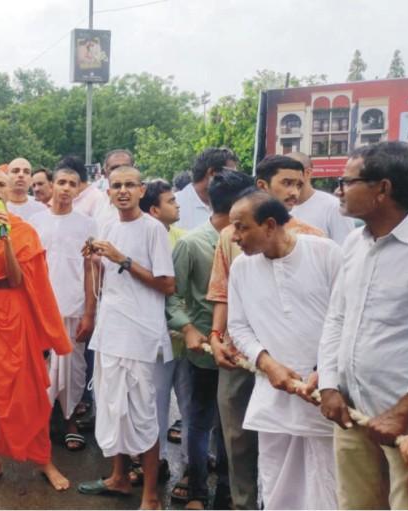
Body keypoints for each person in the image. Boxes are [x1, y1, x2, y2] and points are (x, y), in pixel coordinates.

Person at [205, 154, 323, 510]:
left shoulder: (316, 241)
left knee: (301, 442)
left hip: (299, 364)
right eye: (286, 183)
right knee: (238, 436)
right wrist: (216, 337)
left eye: (299, 183)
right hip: (241, 356)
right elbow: (222, 293)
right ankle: (244, 503)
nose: (294, 191)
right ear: (262, 186)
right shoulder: (232, 237)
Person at [315, 141, 408, 509]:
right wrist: (329, 384)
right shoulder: (353, 243)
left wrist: (403, 412)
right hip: (353, 414)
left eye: (347, 182)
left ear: (383, 189)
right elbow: (337, 317)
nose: (339, 191)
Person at [0, 169, 72, 493]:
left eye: (0, 185)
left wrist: (5, 238)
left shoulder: (24, 230)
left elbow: (17, 278)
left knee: (29, 388)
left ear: (9, 191)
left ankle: (44, 459)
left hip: (16, 310)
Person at [227, 191, 341, 509]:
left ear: (269, 225)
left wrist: (325, 371)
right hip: (273, 397)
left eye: (241, 227)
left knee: (328, 485)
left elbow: (345, 318)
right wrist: (268, 364)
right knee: (276, 484)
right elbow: (238, 327)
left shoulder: (326, 253)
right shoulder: (241, 268)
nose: (234, 236)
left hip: (326, 395)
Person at [77, 165, 175, 511]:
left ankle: (150, 496)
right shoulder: (106, 226)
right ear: (108, 193)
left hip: (140, 334)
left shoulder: (153, 229)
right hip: (111, 330)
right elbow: (103, 279)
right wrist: (93, 261)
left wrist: (122, 259)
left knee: (142, 413)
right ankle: (118, 477)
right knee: (112, 406)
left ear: (141, 190)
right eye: (116, 185)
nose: (122, 191)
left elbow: (167, 284)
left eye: (129, 185)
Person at [167, 170, 253, 510]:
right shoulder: (192, 244)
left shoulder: (253, 242)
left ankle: (228, 492)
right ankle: (197, 491)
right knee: (198, 422)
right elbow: (172, 296)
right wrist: (188, 328)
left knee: (234, 428)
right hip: (202, 351)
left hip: (243, 352)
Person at [29, 164, 97, 452]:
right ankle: (41, 424)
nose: (67, 188)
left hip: (74, 308)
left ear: (79, 188)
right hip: (41, 310)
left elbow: (92, 270)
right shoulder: (35, 222)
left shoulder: (88, 225)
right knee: (41, 370)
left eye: (73, 183)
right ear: (52, 185)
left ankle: (69, 421)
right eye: (62, 182)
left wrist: (89, 313)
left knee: (72, 370)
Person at [139, 178, 189, 487]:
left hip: (187, 334)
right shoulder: (140, 240)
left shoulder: (184, 239)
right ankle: (155, 463)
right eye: (171, 201)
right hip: (156, 335)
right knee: (154, 403)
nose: (177, 204)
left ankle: (192, 466)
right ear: (154, 211)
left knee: (190, 405)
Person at [287, 151, 355, 243]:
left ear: (307, 173)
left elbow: (345, 246)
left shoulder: (333, 206)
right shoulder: (278, 208)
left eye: (288, 174)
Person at [176, 148, 239, 230]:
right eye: (231, 174)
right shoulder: (177, 205)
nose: (234, 180)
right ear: (212, 173)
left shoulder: (234, 206)